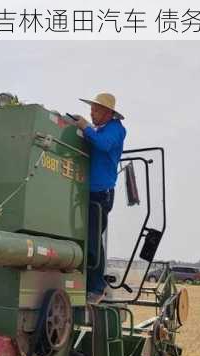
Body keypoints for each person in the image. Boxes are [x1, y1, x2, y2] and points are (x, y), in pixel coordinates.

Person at [73, 93, 126, 304]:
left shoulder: (116, 130)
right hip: (89, 192)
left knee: (94, 239)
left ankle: (96, 286)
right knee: (87, 238)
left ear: (108, 113)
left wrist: (85, 127)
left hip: (100, 193)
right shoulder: (99, 130)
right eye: (91, 110)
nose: (91, 114)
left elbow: (103, 145)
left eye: (95, 110)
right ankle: (87, 282)